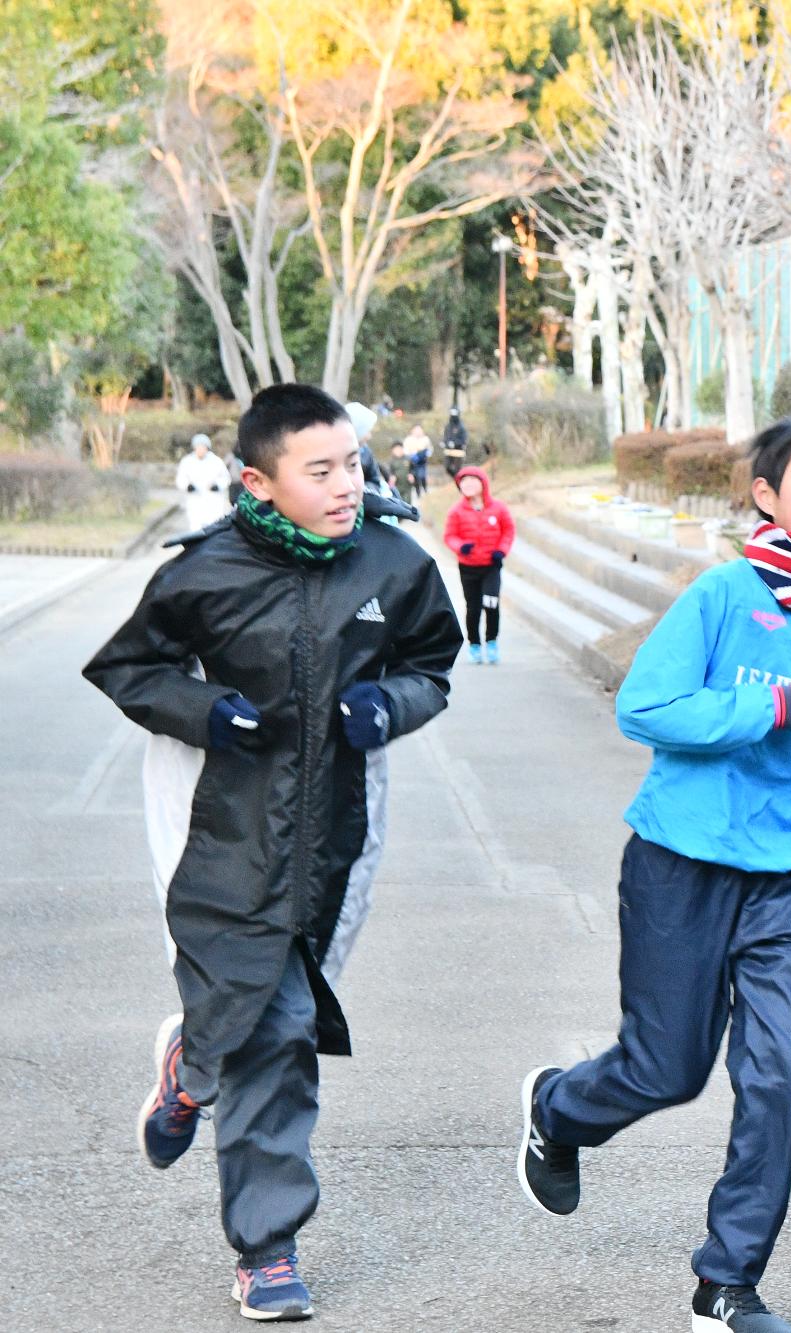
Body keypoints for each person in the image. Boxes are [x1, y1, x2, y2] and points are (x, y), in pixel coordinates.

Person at [83, 383, 460, 1323]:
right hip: (222, 829)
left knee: (268, 1003)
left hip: (337, 832)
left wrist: (390, 706)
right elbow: (127, 668)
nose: (346, 486)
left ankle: (192, 1061)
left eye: (353, 465)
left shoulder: (392, 562)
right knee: (278, 1028)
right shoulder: (202, 573)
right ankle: (268, 1245)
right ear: (258, 481)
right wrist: (205, 710)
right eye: (319, 470)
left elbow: (431, 665)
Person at [514, 410, 791, 1333]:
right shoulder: (724, 594)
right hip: (680, 864)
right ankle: (560, 1112)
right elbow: (646, 707)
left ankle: (727, 1284)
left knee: (776, 1078)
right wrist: (769, 707)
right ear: (766, 496)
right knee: (667, 1068)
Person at [443, 466, 513, 665]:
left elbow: (508, 530)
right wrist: (460, 546)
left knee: (491, 603)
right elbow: (449, 536)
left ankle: (491, 641)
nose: (468, 485)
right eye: (464, 482)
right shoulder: (456, 511)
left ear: (483, 484)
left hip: (492, 565)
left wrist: (502, 550)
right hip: (469, 567)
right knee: (473, 607)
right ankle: (474, 644)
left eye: (473, 481)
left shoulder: (498, 508)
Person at [174, 433, 231, 531]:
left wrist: (217, 486)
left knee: (213, 527)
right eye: (198, 447)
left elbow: (225, 477)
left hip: (213, 501)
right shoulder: (187, 462)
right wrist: (187, 486)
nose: (200, 450)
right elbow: (181, 478)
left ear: (207, 448)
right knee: (195, 527)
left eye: (203, 447)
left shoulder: (216, 461)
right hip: (195, 500)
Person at [441, 406, 469, 479]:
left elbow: (464, 440)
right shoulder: (448, 426)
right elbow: (446, 436)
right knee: (448, 468)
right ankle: (456, 479)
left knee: (457, 470)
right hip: (449, 451)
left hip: (458, 451)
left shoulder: (461, 427)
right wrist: (445, 443)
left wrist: (455, 443)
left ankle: (459, 480)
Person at [403, 425, 432, 497]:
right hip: (412, 461)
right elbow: (405, 450)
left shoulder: (425, 439)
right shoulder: (408, 439)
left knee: (422, 476)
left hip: (422, 461)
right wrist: (411, 455)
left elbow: (430, 449)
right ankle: (418, 492)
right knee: (415, 477)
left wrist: (426, 453)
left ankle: (425, 490)